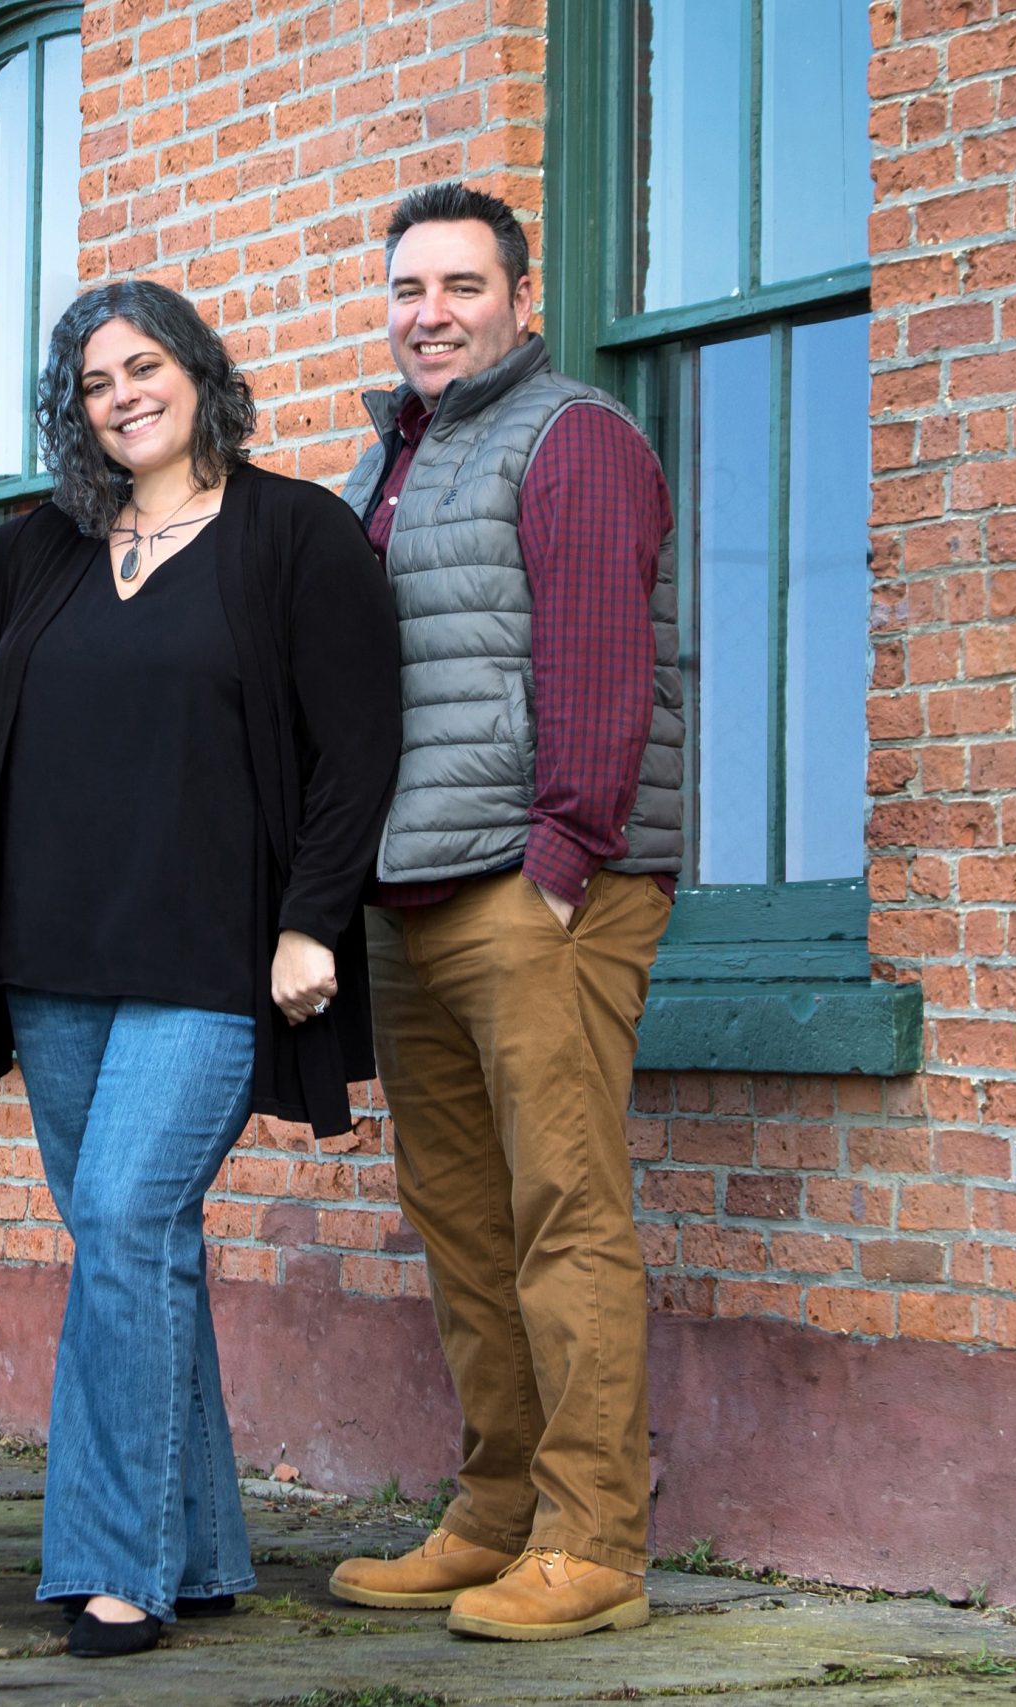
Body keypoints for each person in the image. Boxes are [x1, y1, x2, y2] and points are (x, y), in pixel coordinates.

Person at [0, 280, 398, 1658]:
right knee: (141, 1247)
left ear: (198, 372)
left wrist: (313, 917)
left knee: (127, 1218)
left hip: (209, 964)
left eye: (143, 365)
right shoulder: (44, 550)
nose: (121, 393)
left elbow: (356, 746)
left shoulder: (295, 534)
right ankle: (196, 1551)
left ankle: (109, 1561)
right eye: (91, 380)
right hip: (55, 960)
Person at [324, 183, 683, 1642]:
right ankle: (494, 1510)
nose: (432, 312)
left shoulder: (571, 434)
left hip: (543, 886)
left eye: (464, 285)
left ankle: (595, 1538)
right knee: (462, 1216)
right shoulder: (385, 461)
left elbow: (596, 660)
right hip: (411, 889)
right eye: (411, 287)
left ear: (521, 301)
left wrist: (560, 859)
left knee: (563, 1214)